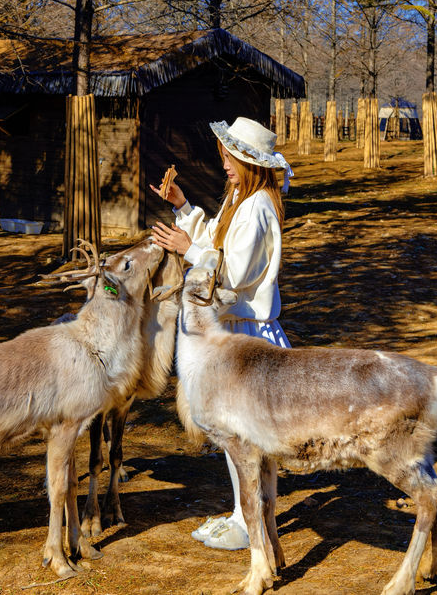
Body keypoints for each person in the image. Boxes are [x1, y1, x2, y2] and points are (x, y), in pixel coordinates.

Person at [150, 116, 293, 551]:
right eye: (225, 155)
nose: (225, 163)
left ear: (251, 162)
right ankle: (244, 514)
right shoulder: (239, 197)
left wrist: (184, 249)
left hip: (247, 334)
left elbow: (229, 274)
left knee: (244, 437)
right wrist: (183, 207)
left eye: (231, 157)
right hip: (231, 327)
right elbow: (215, 241)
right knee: (239, 437)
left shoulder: (258, 207)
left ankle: (250, 521)